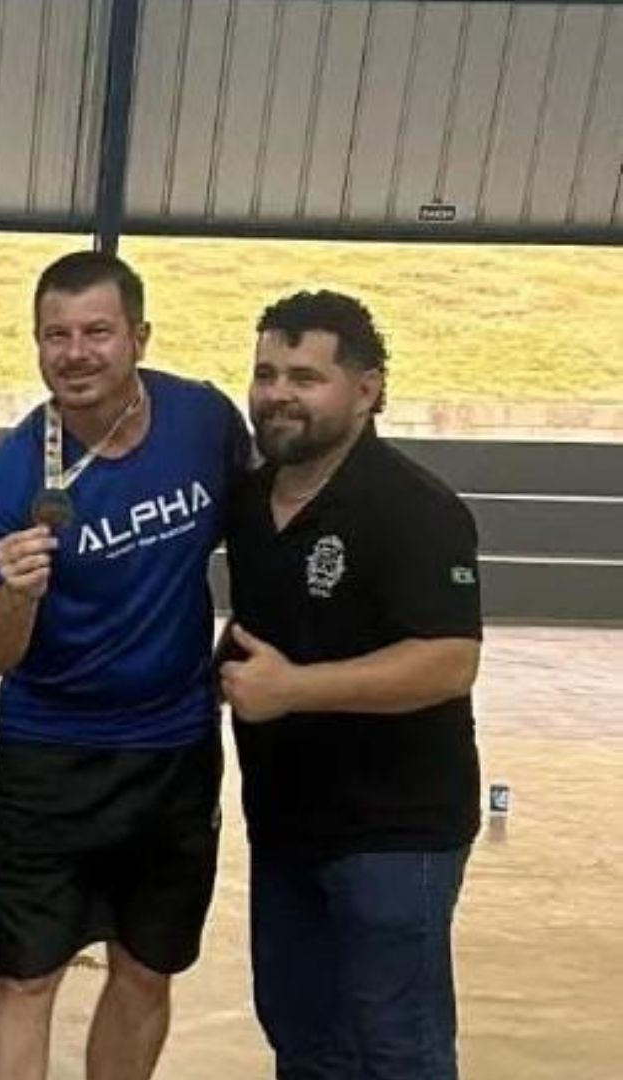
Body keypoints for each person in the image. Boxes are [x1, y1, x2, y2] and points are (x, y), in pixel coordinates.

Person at [0, 251, 250, 1080]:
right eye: (57, 335)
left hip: (174, 753)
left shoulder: (203, 421)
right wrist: (15, 597)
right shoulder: (13, 476)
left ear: (139, 338)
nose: (76, 353)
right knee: (25, 979)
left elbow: (267, 529)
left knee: (146, 969)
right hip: (49, 758)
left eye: (98, 332)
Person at [222, 291, 481, 1080]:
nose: (278, 394)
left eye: (306, 377)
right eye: (266, 373)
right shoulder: (250, 500)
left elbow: (448, 661)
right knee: (301, 1041)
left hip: (395, 833)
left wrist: (293, 689)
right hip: (284, 826)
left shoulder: (416, 508)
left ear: (366, 390)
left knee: (397, 1048)